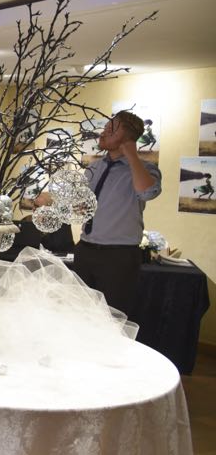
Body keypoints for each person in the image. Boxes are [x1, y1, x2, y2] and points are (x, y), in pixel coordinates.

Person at [73, 111, 161, 316]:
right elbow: (82, 203)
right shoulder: (94, 167)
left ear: (128, 136)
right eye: (105, 128)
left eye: (111, 129)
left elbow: (147, 192)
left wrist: (131, 154)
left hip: (119, 257)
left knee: (113, 317)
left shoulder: (146, 169)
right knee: (78, 314)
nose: (103, 133)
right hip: (85, 249)